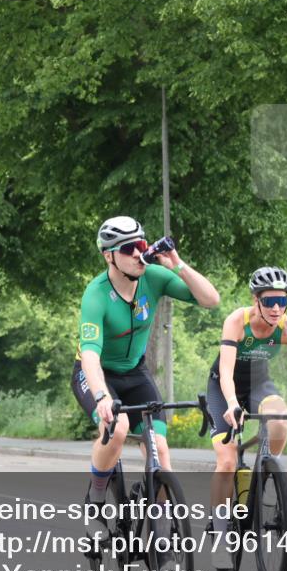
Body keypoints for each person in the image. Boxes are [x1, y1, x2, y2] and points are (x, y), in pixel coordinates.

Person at [71, 216, 219, 529]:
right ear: (109, 255)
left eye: (142, 244)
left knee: (160, 450)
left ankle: (160, 534)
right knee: (118, 427)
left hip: (135, 373)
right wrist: (101, 396)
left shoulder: (153, 277)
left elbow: (211, 300)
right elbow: (91, 355)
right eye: (129, 248)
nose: (140, 253)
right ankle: (96, 500)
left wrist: (176, 264)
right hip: (97, 374)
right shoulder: (96, 295)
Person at [204, 266, 287, 569]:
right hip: (224, 387)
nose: (276, 308)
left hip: (260, 384)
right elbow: (227, 373)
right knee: (228, 460)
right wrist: (232, 405)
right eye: (269, 301)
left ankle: (267, 473)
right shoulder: (237, 321)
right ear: (255, 299)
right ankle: (220, 534)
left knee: (280, 419)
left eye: (282, 302)